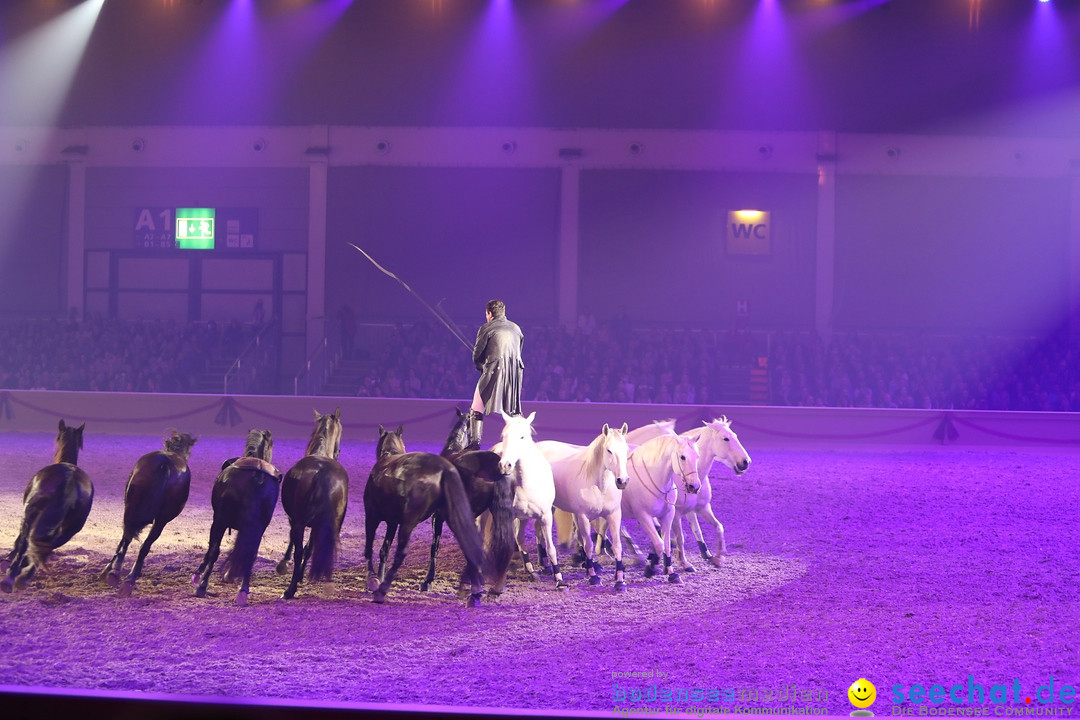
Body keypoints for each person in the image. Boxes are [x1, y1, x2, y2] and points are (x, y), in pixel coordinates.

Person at [469, 299, 523, 446]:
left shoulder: (486, 328)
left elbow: (476, 355)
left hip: (494, 370)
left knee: (476, 407)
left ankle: (475, 444)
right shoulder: (516, 328)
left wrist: (481, 365)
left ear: (489, 314)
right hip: (514, 373)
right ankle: (519, 441)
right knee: (513, 411)